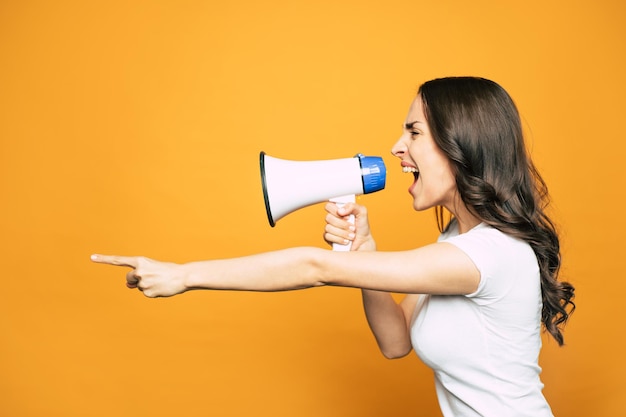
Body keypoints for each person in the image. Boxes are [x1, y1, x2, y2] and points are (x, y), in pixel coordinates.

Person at [92, 76, 575, 417]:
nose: (395, 148)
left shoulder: (490, 255)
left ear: (460, 144)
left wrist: (184, 274)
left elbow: (313, 266)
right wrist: (363, 252)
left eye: (413, 132)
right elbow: (395, 342)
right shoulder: (455, 242)